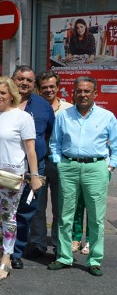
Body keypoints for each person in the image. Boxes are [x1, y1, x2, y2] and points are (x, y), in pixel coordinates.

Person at [0, 65, 54, 270]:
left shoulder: (22, 117)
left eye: (3, 92)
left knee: (9, 217)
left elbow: (31, 149)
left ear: (12, 95)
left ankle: (6, 260)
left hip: (12, 174)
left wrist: (34, 175)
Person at [48, 76, 117, 277]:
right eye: (79, 91)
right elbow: (55, 143)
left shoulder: (107, 116)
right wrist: (59, 162)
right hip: (69, 167)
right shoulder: (64, 116)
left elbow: (115, 145)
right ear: (73, 93)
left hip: (96, 168)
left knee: (96, 217)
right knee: (64, 215)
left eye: (87, 91)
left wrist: (110, 167)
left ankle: (94, 259)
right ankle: (64, 256)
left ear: (95, 93)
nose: (83, 94)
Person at [29, 71, 73, 257]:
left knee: (60, 205)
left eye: (52, 86)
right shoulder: (32, 106)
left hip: (61, 162)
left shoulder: (69, 109)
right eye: (44, 87)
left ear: (58, 87)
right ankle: (38, 243)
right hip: (38, 161)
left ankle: (58, 243)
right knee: (38, 204)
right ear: (38, 88)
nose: (48, 90)